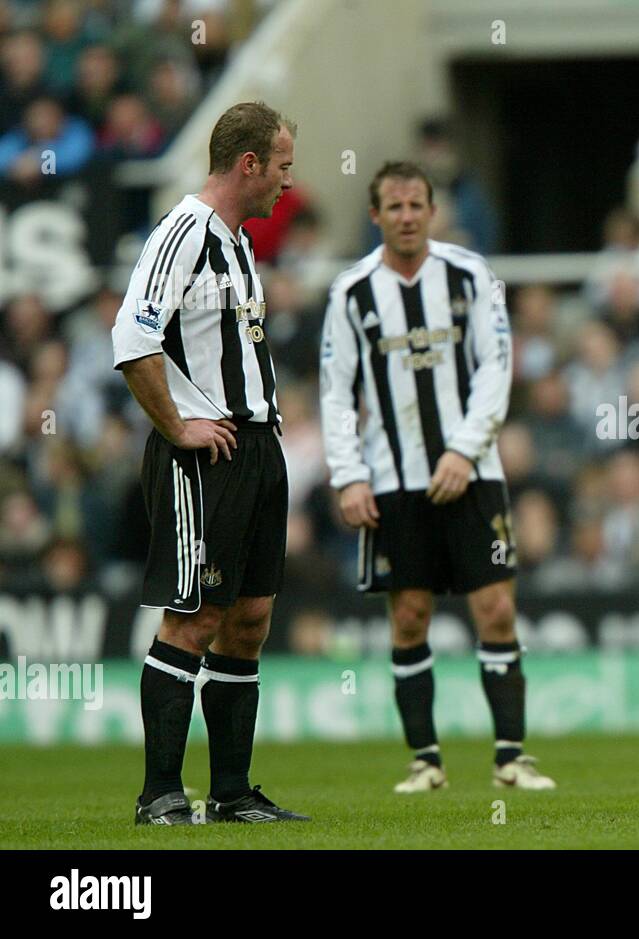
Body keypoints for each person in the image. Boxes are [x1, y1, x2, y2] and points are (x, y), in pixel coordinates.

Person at [320, 161, 555, 793]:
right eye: (393, 207)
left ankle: (511, 757)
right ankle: (425, 760)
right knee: (410, 616)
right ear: (376, 216)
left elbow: (495, 366)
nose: (405, 217)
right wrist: (349, 475)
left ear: (432, 211)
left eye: (416, 205)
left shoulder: (470, 275)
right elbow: (336, 391)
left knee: (497, 607)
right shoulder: (352, 292)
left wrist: (463, 449)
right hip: (393, 480)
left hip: (472, 472)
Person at [112, 101, 307, 824]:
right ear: (249, 163)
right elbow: (132, 337)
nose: (290, 181)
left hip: (257, 446)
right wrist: (177, 427)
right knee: (192, 617)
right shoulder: (184, 232)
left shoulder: (238, 242)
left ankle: (230, 792)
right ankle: (160, 791)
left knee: (249, 616)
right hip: (206, 456)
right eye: (283, 165)